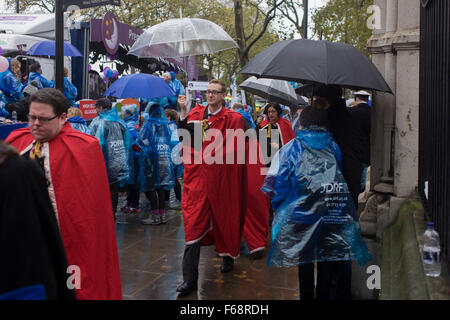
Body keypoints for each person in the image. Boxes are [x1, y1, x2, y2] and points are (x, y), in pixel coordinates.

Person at [6, 88, 122, 299]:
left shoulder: (84, 148)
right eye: (31, 117)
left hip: (69, 240)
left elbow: (91, 213)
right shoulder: (16, 141)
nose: (35, 124)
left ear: (62, 117)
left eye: (43, 119)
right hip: (25, 242)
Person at [261, 106, 371, 300]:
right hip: (330, 211)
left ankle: (306, 296)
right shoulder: (333, 146)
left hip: (302, 214)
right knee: (326, 257)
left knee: (305, 259)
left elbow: (279, 185)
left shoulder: (290, 148)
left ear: (301, 123)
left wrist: (281, 208)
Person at [176, 79, 249, 295]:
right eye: (208, 92)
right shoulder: (196, 114)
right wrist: (182, 112)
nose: (210, 95)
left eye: (215, 92)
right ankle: (189, 280)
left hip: (222, 179)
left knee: (224, 218)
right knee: (193, 226)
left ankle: (227, 255)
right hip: (198, 180)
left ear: (223, 95)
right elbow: (188, 140)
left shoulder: (234, 118)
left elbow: (234, 150)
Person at [0, 139, 76, 300]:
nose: (36, 124)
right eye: (32, 118)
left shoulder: (19, 171)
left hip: (20, 282)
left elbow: (49, 238)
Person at [312, 85, 368, 207]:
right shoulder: (351, 116)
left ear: (326, 100)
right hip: (351, 173)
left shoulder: (326, 119)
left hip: (334, 173)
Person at [88, 97, 134, 221]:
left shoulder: (98, 122)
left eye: (97, 107)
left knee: (103, 190)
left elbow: (92, 141)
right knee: (114, 190)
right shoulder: (120, 121)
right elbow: (127, 142)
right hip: (119, 161)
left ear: (101, 108)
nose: (96, 110)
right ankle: (112, 214)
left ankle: (104, 215)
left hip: (104, 161)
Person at [135, 102, 175, 225]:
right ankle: (162, 216)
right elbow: (170, 141)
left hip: (151, 160)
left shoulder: (148, 125)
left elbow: (139, 143)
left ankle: (155, 216)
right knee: (162, 187)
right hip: (165, 159)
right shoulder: (166, 126)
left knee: (151, 187)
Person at [257, 102, 295, 167]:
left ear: (278, 112)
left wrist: (279, 146)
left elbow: (290, 142)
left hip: (282, 158)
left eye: (273, 111)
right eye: (269, 112)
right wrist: (258, 125)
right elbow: (259, 141)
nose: (271, 114)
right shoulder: (264, 124)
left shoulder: (285, 123)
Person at [120, 104, 141, 214]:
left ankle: (134, 204)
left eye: (124, 112)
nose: (122, 114)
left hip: (133, 157)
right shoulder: (130, 124)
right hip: (132, 157)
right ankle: (130, 202)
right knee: (131, 181)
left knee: (134, 182)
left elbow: (133, 140)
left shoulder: (130, 125)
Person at [164, 108, 183, 209]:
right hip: (174, 155)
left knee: (172, 178)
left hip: (172, 155)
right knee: (171, 178)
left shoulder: (170, 127)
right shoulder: (173, 126)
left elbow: (173, 143)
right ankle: (172, 200)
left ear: (168, 117)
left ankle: (175, 200)